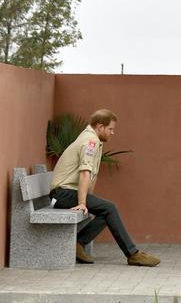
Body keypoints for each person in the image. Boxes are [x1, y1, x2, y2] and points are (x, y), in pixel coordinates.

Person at [50, 108, 160, 267]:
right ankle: (133, 254)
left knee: (106, 210)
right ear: (100, 127)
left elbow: (89, 176)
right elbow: (84, 173)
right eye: (111, 129)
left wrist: (89, 200)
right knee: (109, 208)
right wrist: (83, 202)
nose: (112, 133)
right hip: (62, 195)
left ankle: (78, 244)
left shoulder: (92, 139)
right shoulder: (90, 141)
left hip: (65, 193)